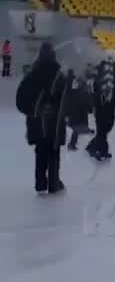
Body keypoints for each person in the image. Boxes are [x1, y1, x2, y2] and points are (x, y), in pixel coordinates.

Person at [16, 42, 66, 193]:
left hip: (37, 120)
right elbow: (66, 97)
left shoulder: (32, 74)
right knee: (54, 151)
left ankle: (40, 183)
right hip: (54, 120)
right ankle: (53, 183)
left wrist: (35, 111)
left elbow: (20, 100)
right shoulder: (59, 75)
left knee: (41, 151)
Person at [86, 55, 115, 161]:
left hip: (104, 101)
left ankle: (93, 147)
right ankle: (101, 150)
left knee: (104, 126)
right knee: (104, 126)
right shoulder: (105, 69)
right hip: (105, 101)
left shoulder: (105, 69)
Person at [64, 68, 92, 151]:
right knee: (76, 128)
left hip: (75, 112)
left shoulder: (72, 91)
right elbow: (86, 100)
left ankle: (72, 143)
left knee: (76, 128)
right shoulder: (81, 91)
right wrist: (89, 107)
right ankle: (71, 145)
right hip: (78, 112)